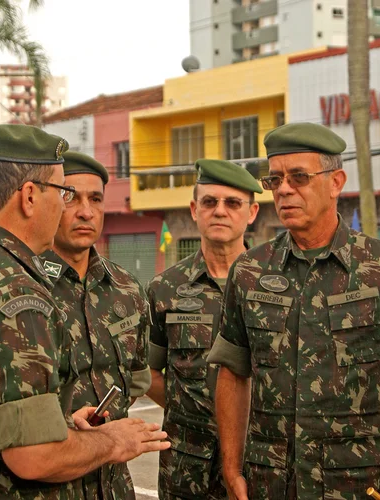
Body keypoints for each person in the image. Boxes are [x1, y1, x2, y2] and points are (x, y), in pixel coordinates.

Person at [0, 125, 169, 498]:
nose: (66, 206)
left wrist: (59, 428)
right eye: (63, 192)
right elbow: (34, 458)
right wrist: (111, 440)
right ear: (28, 196)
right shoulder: (14, 291)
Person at [207, 122, 380, 500]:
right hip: (271, 483)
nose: (284, 189)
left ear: (336, 182)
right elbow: (232, 373)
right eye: (276, 179)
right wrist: (232, 467)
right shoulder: (250, 271)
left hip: (360, 483)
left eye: (299, 177)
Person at [40, 150, 154, 499]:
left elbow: (135, 378)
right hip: (47, 484)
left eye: (96, 199)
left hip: (114, 484)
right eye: (70, 198)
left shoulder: (127, 288)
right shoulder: (24, 284)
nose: (85, 211)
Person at [146, 159, 261, 499]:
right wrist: (194, 410)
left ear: (251, 213)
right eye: (209, 202)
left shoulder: (276, 284)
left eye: (232, 203)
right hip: (187, 466)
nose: (220, 211)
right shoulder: (165, 288)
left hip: (259, 459)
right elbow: (147, 370)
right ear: (194, 210)